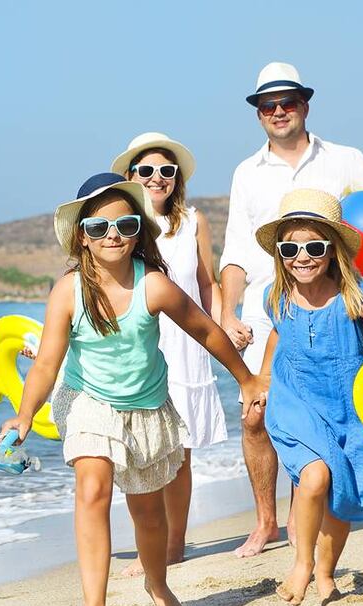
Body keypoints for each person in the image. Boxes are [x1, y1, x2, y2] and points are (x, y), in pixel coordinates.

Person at [0, 173, 265, 606]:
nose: (113, 235)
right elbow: (46, 364)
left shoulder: (154, 286)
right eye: (99, 227)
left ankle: (158, 587)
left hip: (146, 407)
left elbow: (206, 331)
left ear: (139, 231)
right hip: (87, 399)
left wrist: (246, 379)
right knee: (93, 488)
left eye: (124, 225)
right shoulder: (68, 291)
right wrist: (24, 415)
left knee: (148, 513)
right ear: (82, 237)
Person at [220, 62, 363, 557]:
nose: (279, 111)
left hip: (333, 306)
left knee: (317, 411)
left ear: (305, 105)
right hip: (269, 307)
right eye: (268, 105)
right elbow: (235, 250)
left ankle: (303, 514)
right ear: (258, 114)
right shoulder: (246, 173)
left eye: (288, 102)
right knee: (255, 418)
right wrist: (227, 312)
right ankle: (266, 521)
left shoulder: (345, 159)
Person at [255, 188, 363, 605]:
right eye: (291, 249)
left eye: (314, 247)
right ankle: (302, 565)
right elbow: (279, 335)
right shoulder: (275, 296)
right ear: (280, 254)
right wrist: (262, 379)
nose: (302, 257)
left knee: (342, 494)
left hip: (349, 407)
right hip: (295, 404)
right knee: (316, 477)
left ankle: (325, 572)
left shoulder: (352, 294)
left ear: (332, 249)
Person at [111, 132, 228, 575]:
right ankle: (150, 544)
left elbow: (206, 283)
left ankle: (174, 544)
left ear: (177, 177)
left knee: (180, 453)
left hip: (186, 346)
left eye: (166, 170)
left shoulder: (193, 221)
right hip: (138, 345)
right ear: (131, 176)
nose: (157, 178)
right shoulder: (122, 224)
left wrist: (224, 325)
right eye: (146, 170)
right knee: (141, 450)